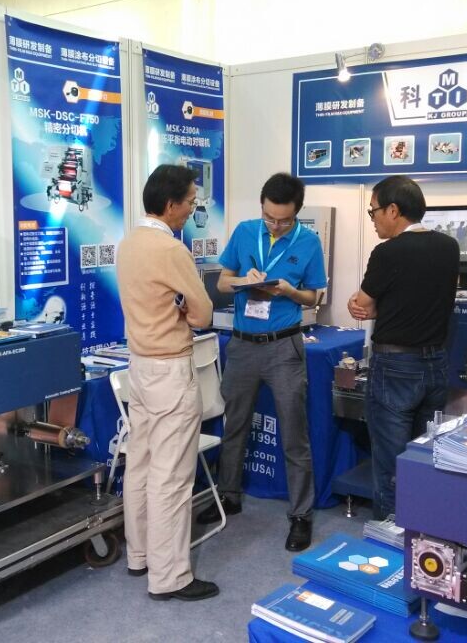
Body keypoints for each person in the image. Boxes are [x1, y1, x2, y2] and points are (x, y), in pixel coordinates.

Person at [196, 173, 326, 552]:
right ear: (262, 208)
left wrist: (288, 290)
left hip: (283, 347)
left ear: (296, 213)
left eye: (283, 220)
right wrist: (243, 281)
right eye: (269, 217)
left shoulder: (309, 242)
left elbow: (314, 297)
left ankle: (300, 515)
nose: (275, 225)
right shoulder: (245, 231)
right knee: (234, 424)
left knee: (293, 433)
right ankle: (229, 495)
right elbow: (222, 283)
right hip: (242, 345)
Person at [116, 164, 216, 602]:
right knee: (171, 477)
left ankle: (139, 556)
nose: (193, 208)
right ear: (171, 204)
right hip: (170, 370)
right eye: (191, 201)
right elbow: (203, 313)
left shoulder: (128, 243)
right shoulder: (171, 249)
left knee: (140, 463)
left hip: (139, 367)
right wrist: (183, 311)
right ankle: (170, 576)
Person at [347, 175, 459, 520]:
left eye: (374, 211)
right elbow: (414, 300)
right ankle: (423, 532)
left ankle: (391, 535)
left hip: (395, 367)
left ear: (393, 210)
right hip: (436, 364)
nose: (373, 219)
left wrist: (364, 305)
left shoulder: (387, 252)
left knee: (391, 464)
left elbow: (362, 304)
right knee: (424, 457)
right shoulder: (449, 246)